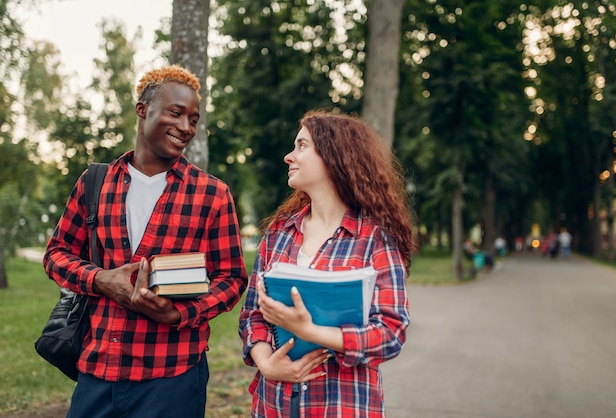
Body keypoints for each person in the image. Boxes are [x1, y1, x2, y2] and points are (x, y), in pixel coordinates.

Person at [43, 65, 248, 418]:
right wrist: (100, 280)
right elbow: (56, 255)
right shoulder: (96, 181)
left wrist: (179, 313)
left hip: (172, 378)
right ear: (143, 110)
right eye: (176, 113)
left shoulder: (212, 195)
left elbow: (232, 279)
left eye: (194, 119)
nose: (186, 127)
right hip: (97, 372)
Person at [239, 110, 416, 417]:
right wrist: (267, 364)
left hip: (341, 405)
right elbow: (252, 315)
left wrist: (311, 331)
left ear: (334, 156)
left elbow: (391, 332)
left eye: (302, 146)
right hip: (274, 404)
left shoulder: (374, 238)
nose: (288, 156)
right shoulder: (278, 234)